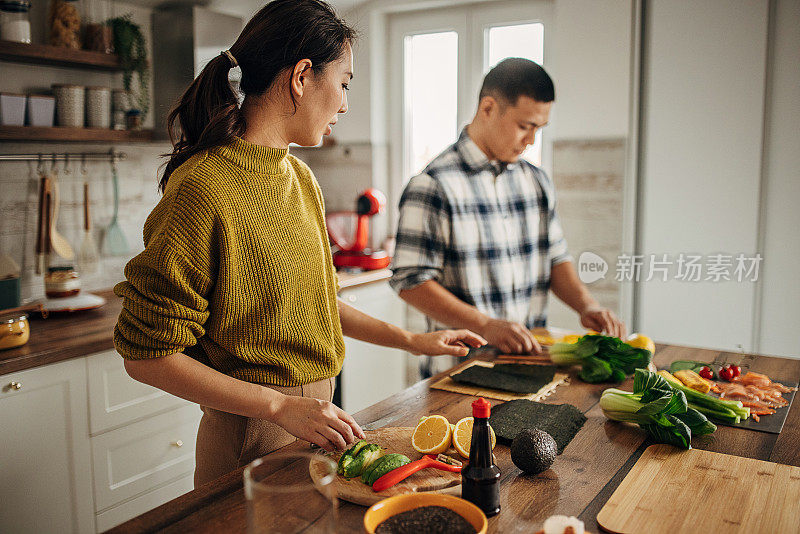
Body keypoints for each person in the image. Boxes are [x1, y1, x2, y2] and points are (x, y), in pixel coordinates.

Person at [114, 0, 486, 487]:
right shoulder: (203, 189)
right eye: (345, 82)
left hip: (312, 423)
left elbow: (318, 303)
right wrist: (278, 406)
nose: (346, 103)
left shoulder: (300, 179)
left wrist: (412, 341)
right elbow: (145, 355)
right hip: (250, 440)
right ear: (302, 76)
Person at [391, 58, 624, 378]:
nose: (531, 140)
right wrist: (484, 324)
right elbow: (410, 281)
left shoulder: (536, 181)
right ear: (488, 108)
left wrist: (588, 306)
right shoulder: (433, 185)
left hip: (530, 366)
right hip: (461, 373)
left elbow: (556, 258)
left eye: (538, 129)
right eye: (524, 126)